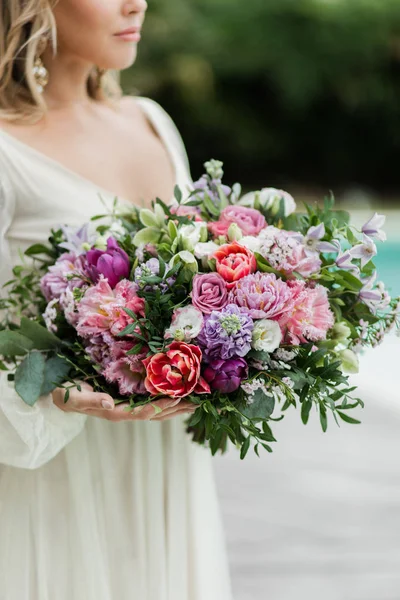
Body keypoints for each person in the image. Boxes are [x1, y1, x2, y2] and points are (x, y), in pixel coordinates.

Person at [0, 1, 234, 598]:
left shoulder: (150, 120)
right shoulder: (6, 147)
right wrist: (51, 389)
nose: (137, 2)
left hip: (163, 460)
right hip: (57, 475)